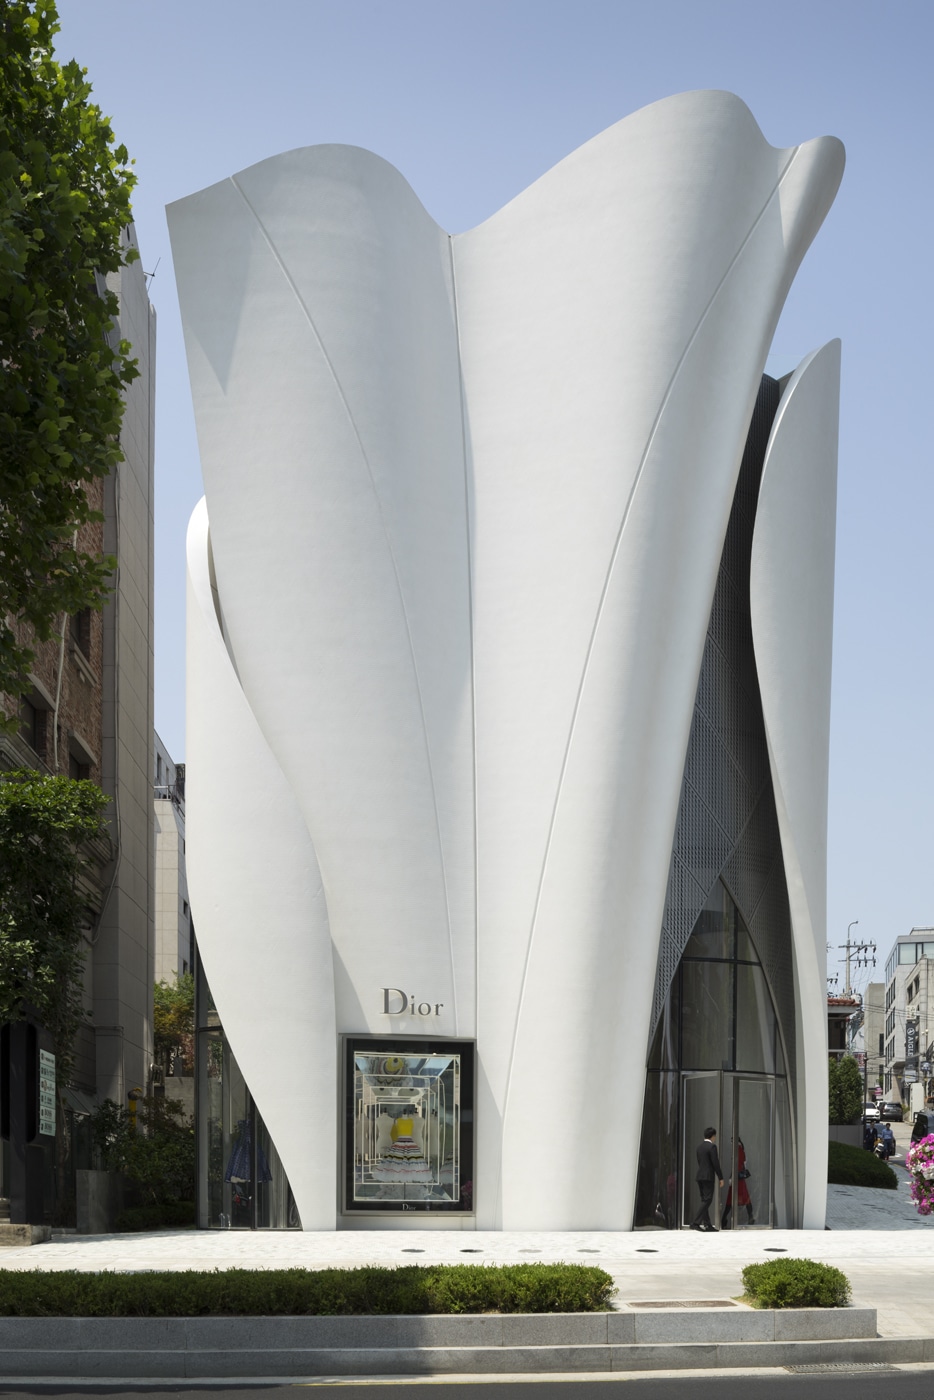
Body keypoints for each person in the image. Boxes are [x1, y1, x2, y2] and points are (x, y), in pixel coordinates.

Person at [691, 1127, 723, 1232]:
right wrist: (721, 1177)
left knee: (704, 1200)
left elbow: (700, 1162)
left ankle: (707, 1224)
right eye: (715, 1136)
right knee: (707, 1200)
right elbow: (715, 1163)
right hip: (708, 1177)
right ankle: (695, 1222)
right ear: (712, 1136)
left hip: (700, 1176)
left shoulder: (699, 1147)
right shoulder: (712, 1147)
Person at [721, 1137, 755, 1227]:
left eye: (732, 1142)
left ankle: (723, 1219)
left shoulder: (738, 1150)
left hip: (736, 1178)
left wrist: (732, 1176)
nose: (731, 1144)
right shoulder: (741, 1149)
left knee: (731, 1199)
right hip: (739, 1178)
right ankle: (750, 1216)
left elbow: (737, 1166)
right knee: (744, 1198)